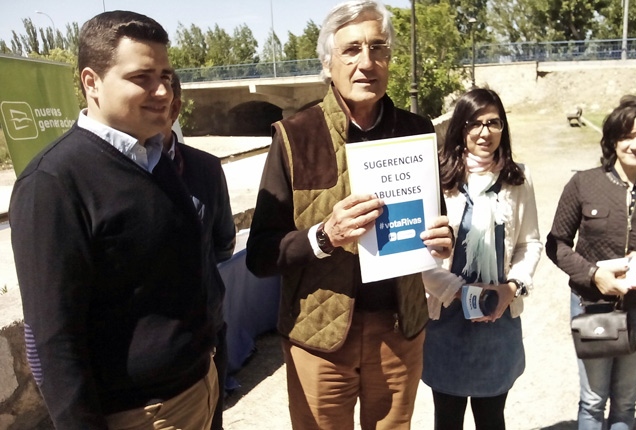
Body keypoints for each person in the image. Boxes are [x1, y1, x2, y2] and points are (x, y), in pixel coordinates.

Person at [245, 1, 453, 428]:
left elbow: (438, 224)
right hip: (320, 341)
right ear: (328, 63)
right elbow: (261, 255)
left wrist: (442, 241)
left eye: (378, 48)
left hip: (399, 331)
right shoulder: (294, 137)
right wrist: (324, 236)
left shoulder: (416, 131)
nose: (367, 62)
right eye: (352, 50)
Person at [10, 11, 219, 429]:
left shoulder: (155, 159)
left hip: (200, 387)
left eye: (166, 76)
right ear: (92, 82)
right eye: (142, 77)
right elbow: (53, 340)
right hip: (143, 414)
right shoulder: (53, 182)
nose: (163, 91)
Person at [420, 87, 543, 430]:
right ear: (461, 128)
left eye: (493, 123)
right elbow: (419, 254)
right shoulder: (437, 178)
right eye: (475, 123)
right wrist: (459, 291)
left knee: (491, 418)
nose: (485, 132)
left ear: (503, 128)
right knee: (447, 418)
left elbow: (530, 243)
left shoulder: (518, 179)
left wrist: (512, 287)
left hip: (498, 315)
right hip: (446, 316)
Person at [546, 95, 636, 429]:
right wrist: (593, 274)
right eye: (627, 135)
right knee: (592, 400)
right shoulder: (583, 183)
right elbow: (556, 244)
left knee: (626, 402)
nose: (635, 145)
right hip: (593, 305)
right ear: (613, 139)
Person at [160, 72, 237, 430]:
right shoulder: (106, 171)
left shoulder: (205, 168)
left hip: (208, 333)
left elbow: (224, 244)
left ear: (175, 108)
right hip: (150, 360)